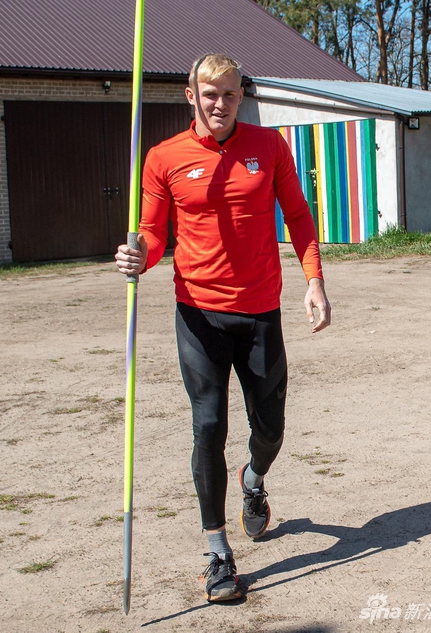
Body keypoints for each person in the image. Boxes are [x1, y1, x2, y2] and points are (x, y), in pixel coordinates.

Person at [115, 53, 331, 602]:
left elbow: (299, 216)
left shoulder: (269, 147)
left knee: (271, 427)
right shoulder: (164, 157)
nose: (220, 103)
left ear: (242, 97)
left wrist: (314, 281)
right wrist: (141, 255)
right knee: (208, 426)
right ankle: (216, 551)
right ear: (191, 95)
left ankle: (254, 480)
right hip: (199, 314)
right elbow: (154, 232)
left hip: (261, 312)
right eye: (209, 94)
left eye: (230, 94)